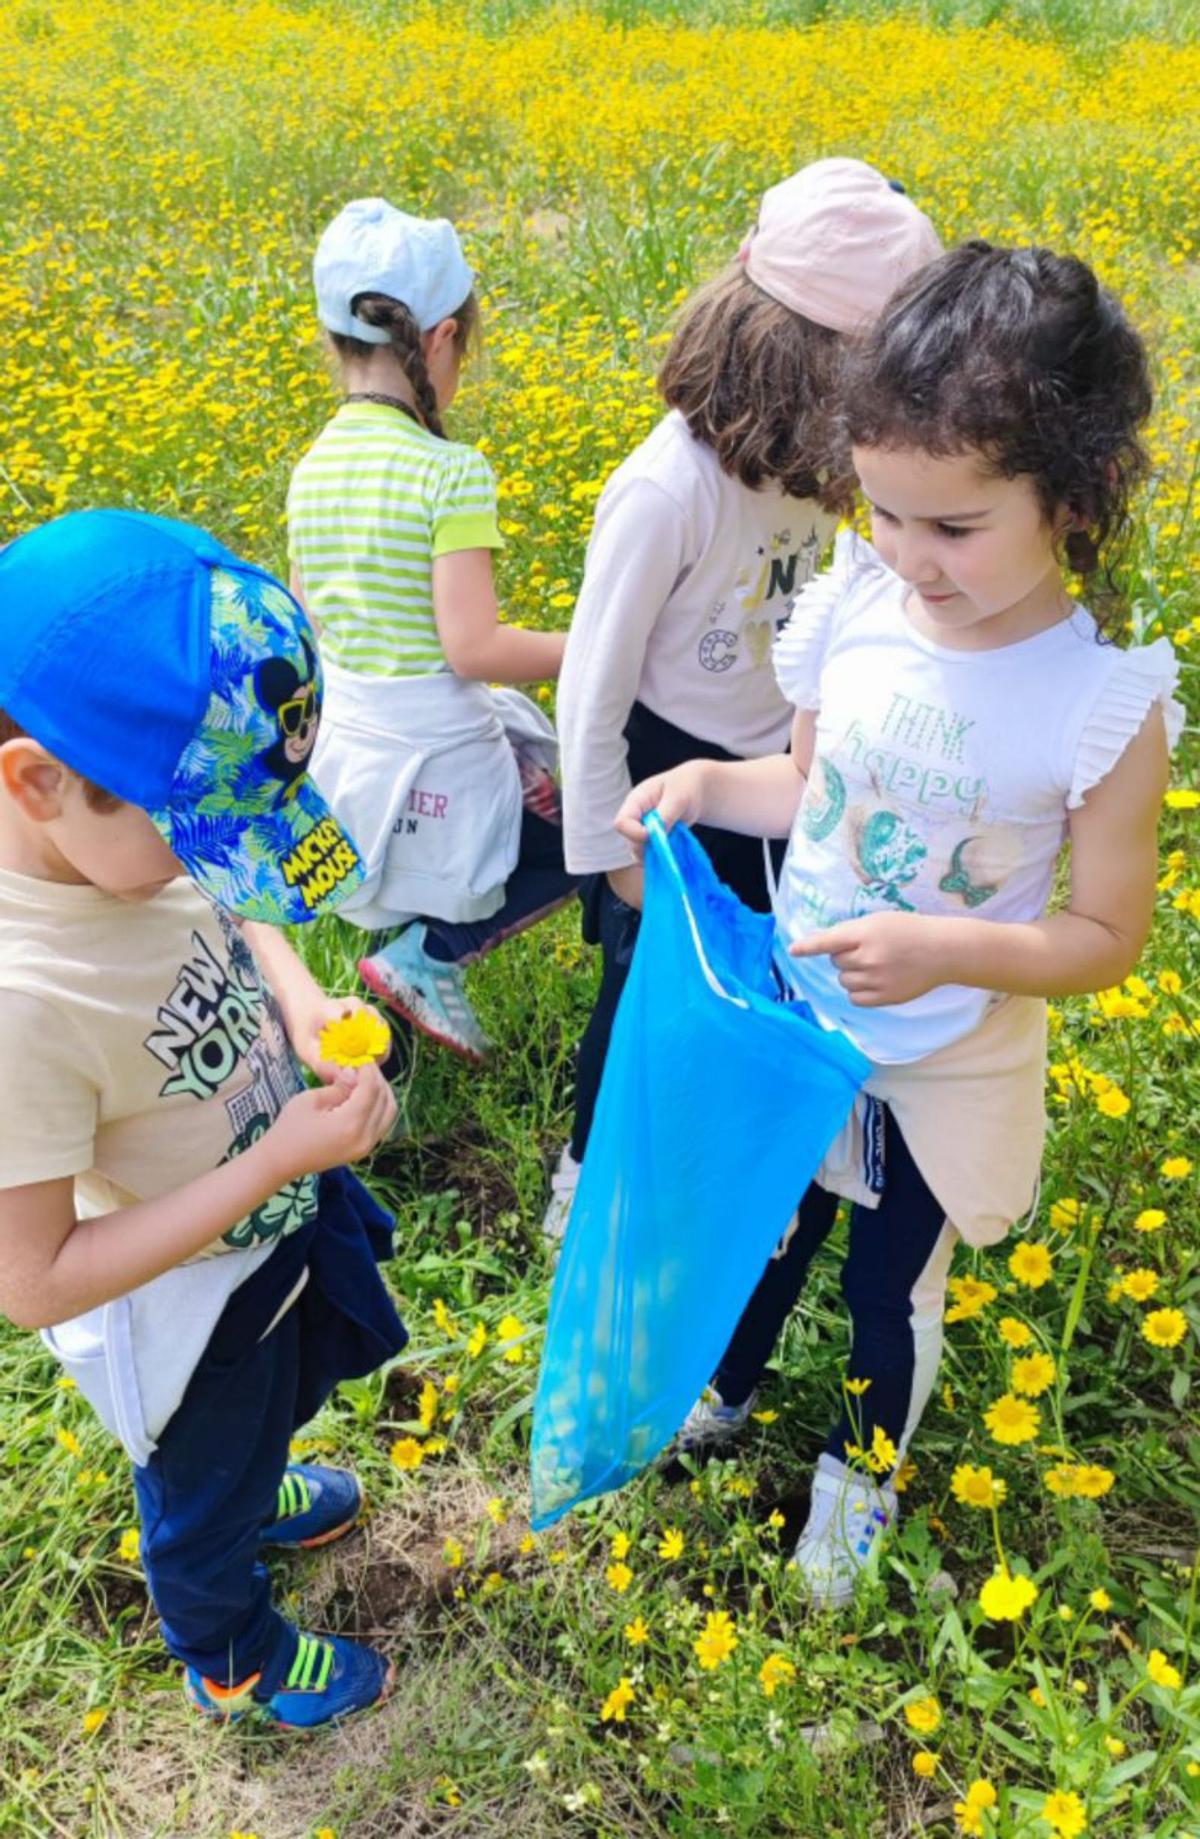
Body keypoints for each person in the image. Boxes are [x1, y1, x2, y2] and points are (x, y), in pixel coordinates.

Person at [616, 241, 1180, 1605]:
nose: (910, 559)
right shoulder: (858, 611)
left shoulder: (1096, 705)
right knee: (764, 1219)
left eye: (955, 527)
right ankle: (727, 1388)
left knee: (889, 1284)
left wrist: (944, 948)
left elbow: (1106, 935)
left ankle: (858, 1471)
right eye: (882, 512)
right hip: (801, 1016)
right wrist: (707, 782)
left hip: (935, 1054)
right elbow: (808, 786)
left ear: (1078, 496)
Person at [0, 510, 406, 1727]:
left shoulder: (131, 844)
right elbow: (36, 1279)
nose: (210, 865)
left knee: (274, 1411)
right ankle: (228, 1648)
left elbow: (232, 901)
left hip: (267, 1225)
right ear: (36, 781)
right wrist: (278, 1155)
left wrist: (291, 999)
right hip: (184, 1305)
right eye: (198, 838)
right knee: (199, 1485)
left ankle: (256, 1485)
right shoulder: (23, 1000)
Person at [546, 159, 941, 1236]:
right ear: (807, 362)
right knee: (643, 997)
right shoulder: (665, 488)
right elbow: (591, 690)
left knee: (748, 982)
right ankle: (589, 1177)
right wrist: (613, 851)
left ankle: (713, 1172)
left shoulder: (812, 472)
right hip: (664, 781)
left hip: (770, 778)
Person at [288, 197, 576, 1062]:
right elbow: (473, 649)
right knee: (586, 834)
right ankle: (431, 957)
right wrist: (593, 647)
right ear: (442, 338)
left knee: (431, 860)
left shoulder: (314, 465)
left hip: (353, 757)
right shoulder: (450, 472)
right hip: (441, 752)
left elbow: (308, 624)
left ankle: (388, 1038)